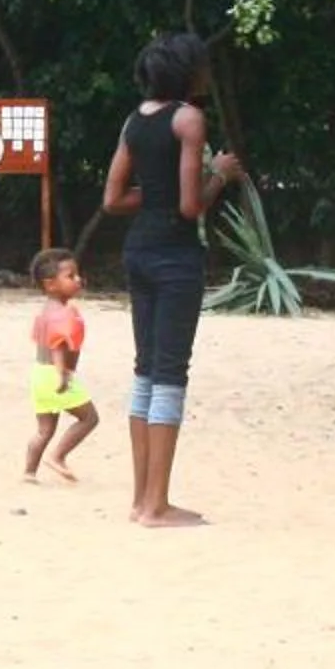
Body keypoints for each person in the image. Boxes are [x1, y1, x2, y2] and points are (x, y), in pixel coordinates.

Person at [100, 32, 242, 528]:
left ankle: (141, 499)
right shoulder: (189, 119)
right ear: (188, 72)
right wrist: (220, 174)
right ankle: (158, 505)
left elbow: (113, 199)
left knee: (145, 369)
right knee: (170, 373)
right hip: (175, 256)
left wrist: (154, 193)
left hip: (137, 250)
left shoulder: (135, 119)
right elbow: (189, 206)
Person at [22, 247, 100, 484]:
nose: (78, 280)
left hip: (38, 372)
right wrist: (62, 373)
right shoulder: (64, 313)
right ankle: (58, 456)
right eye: (70, 276)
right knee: (89, 418)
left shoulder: (45, 311)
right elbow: (57, 344)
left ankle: (29, 472)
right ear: (50, 284)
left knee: (44, 430)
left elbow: (42, 341)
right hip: (55, 374)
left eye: (77, 275)